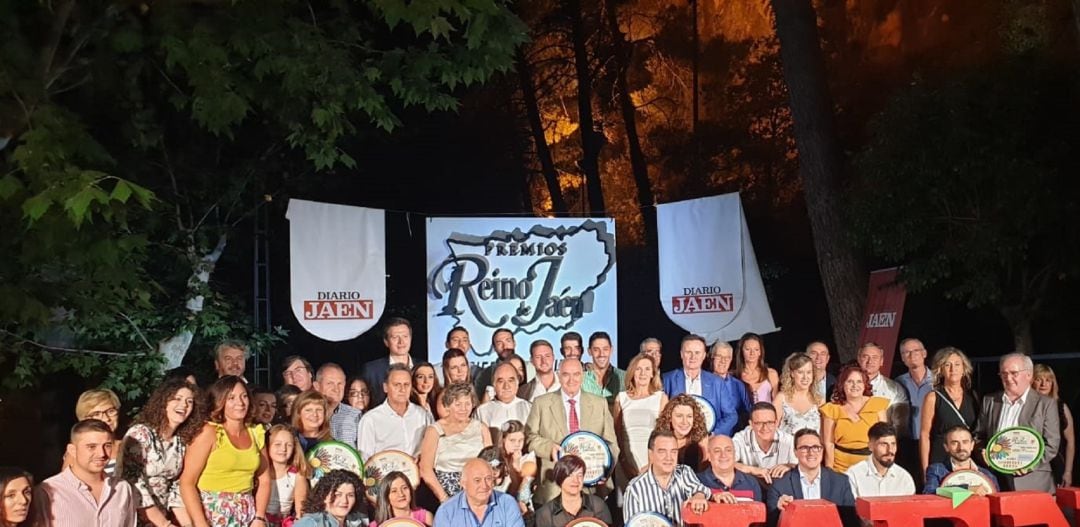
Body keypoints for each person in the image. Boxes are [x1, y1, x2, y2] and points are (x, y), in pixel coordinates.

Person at [179, 376, 270, 527]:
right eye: (231, 398)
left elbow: (265, 479)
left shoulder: (256, 432)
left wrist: (259, 517)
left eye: (244, 396)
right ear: (220, 401)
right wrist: (201, 523)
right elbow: (187, 482)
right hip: (212, 512)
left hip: (247, 513)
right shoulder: (209, 432)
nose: (240, 403)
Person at [525, 358, 619, 505]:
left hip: (591, 487)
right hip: (553, 486)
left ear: (583, 376)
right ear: (559, 375)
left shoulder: (599, 403)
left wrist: (605, 471)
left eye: (576, 374)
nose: (571, 380)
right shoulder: (541, 403)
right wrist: (549, 448)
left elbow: (611, 444)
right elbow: (530, 438)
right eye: (566, 374)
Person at [118, 378, 203, 527]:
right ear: (163, 402)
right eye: (177, 399)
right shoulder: (140, 434)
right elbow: (133, 482)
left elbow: (176, 488)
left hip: (162, 518)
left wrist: (188, 525)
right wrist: (164, 524)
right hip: (131, 517)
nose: (184, 405)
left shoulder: (180, 442)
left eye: (189, 401)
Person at [976, 353, 1060, 492]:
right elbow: (979, 435)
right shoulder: (989, 401)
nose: (1008, 378)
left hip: (1033, 481)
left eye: (1014, 373)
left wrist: (1029, 464)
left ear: (1028, 375)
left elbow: (1052, 444)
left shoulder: (1045, 404)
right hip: (997, 479)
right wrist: (982, 453)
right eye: (1004, 374)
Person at [37, 419, 137, 527]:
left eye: (107, 445)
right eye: (91, 447)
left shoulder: (122, 489)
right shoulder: (49, 492)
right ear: (72, 450)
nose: (101, 453)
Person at [622, 429, 715, 526]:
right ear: (651, 454)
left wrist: (699, 496)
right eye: (662, 452)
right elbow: (632, 523)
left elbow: (699, 489)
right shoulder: (635, 489)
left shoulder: (684, 472)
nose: (669, 458)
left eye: (673, 452)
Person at [419, 382, 493, 502]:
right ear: (448, 405)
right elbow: (425, 469)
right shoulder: (434, 430)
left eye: (467, 404)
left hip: (478, 488)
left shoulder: (481, 428)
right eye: (458, 404)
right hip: (446, 491)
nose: (463, 409)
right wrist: (444, 499)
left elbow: (490, 463)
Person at [766, 429, 855, 524]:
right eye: (804, 448)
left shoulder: (840, 482)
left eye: (816, 447)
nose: (811, 453)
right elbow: (772, 523)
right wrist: (781, 512)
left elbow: (850, 522)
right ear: (795, 452)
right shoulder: (779, 486)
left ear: (822, 450)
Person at [919, 347, 978, 475]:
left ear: (964, 368)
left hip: (966, 458)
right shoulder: (933, 397)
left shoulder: (973, 396)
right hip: (941, 457)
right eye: (948, 365)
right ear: (941, 369)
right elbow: (925, 435)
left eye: (957, 364)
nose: (953, 369)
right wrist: (925, 469)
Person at [663, 334, 738, 435]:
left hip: (708, 440)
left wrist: (713, 435)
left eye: (697, 353)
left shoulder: (717, 382)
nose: (693, 357)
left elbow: (731, 416)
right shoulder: (667, 379)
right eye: (688, 352)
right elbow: (661, 415)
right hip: (677, 440)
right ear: (681, 354)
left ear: (703, 355)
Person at [357, 364, 434, 460]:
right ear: (385, 387)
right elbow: (365, 459)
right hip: (385, 473)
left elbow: (433, 449)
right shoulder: (370, 420)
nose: (402, 389)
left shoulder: (423, 415)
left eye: (406, 384)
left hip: (418, 473)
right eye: (397, 385)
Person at [820, 365, 889, 473]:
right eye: (850, 381)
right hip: (841, 468)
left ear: (865, 384)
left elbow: (885, 440)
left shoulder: (878, 405)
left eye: (859, 382)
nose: (854, 385)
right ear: (842, 385)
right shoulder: (832, 409)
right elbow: (829, 443)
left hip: (872, 466)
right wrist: (829, 471)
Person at [614, 353, 668, 480]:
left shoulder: (661, 398)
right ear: (632, 372)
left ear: (652, 374)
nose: (642, 373)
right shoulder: (621, 398)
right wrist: (624, 462)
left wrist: (652, 462)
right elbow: (616, 434)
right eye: (638, 369)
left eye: (647, 369)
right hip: (626, 458)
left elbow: (664, 433)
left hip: (652, 458)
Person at [433, 458, 524, 527]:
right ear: (463, 483)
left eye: (488, 479)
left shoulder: (507, 504)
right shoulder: (446, 511)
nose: (484, 485)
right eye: (477, 480)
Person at [533, 455, 612, 527]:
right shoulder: (545, 514)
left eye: (579, 475)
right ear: (559, 478)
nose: (575, 480)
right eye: (569, 475)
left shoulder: (598, 505)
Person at [733, 402, 798, 484]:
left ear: (776, 423)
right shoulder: (740, 438)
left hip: (780, 487)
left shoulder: (788, 440)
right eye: (759, 423)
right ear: (751, 424)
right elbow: (725, 464)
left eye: (770, 422)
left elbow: (802, 467)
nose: (765, 428)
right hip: (750, 485)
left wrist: (789, 466)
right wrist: (752, 470)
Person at [845, 423, 915, 497]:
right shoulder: (854, 475)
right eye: (884, 444)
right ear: (870, 446)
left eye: (893, 444)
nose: (890, 450)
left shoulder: (904, 478)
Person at [923, 426, 998, 495]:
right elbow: (929, 493)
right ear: (946, 447)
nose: (961, 448)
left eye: (965, 442)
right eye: (954, 443)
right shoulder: (936, 470)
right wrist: (967, 489)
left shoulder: (987, 475)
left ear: (972, 445)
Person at [1033, 364, 1075, 487]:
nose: (1043, 384)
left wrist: (1068, 472)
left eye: (1048, 380)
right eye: (1039, 379)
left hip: (1056, 465)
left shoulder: (1061, 407)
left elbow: (1070, 442)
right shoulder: (1025, 407)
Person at [858, 343, 910, 437]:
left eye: (875, 357)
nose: (870, 361)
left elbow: (900, 425)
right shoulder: (846, 386)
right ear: (859, 359)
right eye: (865, 357)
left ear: (881, 361)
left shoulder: (894, 389)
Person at [362, 317, 415, 407]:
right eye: (395, 337)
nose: (401, 342)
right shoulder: (372, 370)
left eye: (405, 336)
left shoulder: (423, 367)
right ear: (386, 342)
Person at [265, 424, 310, 527]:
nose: (283, 449)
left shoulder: (296, 475)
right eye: (277, 444)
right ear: (268, 445)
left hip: (283, 522)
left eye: (288, 445)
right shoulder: (260, 472)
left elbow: (301, 508)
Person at [698, 435, 763, 502]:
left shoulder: (751, 482)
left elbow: (758, 511)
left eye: (728, 450)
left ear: (734, 453)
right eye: (717, 451)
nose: (723, 455)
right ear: (708, 456)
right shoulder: (697, 481)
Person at [74, 388, 124, 476]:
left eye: (111, 411)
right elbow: (67, 485)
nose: (106, 418)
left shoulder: (129, 444)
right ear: (84, 419)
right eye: (97, 414)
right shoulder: (78, 450)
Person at [293, 470, 368, 527]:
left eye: (350, 495)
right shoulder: (311, 522)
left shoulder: (357, 521)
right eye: (338, 494)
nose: (344, 500)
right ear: (324, 496)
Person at [654, 395, 709, 470]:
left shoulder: (701, 437)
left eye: (689, 416)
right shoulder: (659, 438)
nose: (684, 422)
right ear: (669, 417)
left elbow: (704, 469)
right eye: (679, 416)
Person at [314, 363, 362, 450]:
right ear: (317, 386)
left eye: (340, 384)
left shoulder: (355, 415)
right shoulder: (309, 415)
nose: (336, 389)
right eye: (330, 383)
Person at [773, 352, 823, 434]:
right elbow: (772, 430)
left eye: (809, 372)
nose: (805, 377)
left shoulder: (819, 400)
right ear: (792, 373)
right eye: (800, 372)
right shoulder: (781, 398)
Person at [475, 362, 532, 432]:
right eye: (501, 381)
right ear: (494, 385)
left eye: (510, 381)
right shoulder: (482, 411)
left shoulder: (529, 408)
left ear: (517, 383)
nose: (506, 386)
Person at [495, 421, 537, 511]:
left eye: (520, 440)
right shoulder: (495, 460)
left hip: (520, 507)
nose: (517, 444)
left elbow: (523, 497)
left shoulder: (528, 459)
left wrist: (516, 466)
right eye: (512, 440)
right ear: (503, 440)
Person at [709, 340, 752, 425]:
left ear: (731, 360)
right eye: (719, 356)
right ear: (711, 357)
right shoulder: (702, 382)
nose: (723, 361)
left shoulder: (738, 385)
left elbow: (748, 412)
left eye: (727, 358)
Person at [581, 331, 625, 406]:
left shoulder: (625, 377)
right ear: (589, 351)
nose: (601, 354)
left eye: (605, 349)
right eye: (596, 350)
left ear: (611, 350)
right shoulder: (581, 380)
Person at [474, 329, 520, 398]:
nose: (505, 346)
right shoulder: (485, 374)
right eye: (499, 343)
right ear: (494, 348)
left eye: (508, 341)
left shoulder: (529, 368)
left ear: (514, 343)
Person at [736, 333, 780, 404]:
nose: (752, 353)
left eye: (756, 349)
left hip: (767, 414)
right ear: (741, 351)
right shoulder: (734, 376)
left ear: (760, 352)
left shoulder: (771, 374)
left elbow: (776, 404)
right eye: (747, 349)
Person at [437, 349, 473, 419]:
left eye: (463, 365)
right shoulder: (444, 397)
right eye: (454, 367)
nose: (460, 371)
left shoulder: (471, 390)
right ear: (447, 371)